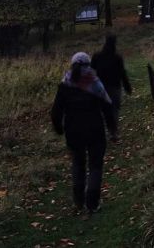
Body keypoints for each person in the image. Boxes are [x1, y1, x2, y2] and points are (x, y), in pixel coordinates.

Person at [51, 52, 117, 213]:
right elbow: (108, 107)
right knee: (95, 166)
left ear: (72, 65)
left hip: (73, 132)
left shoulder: (65, 84)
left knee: (78, 164)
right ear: (88, 65)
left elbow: (56, 111)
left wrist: (59, 128)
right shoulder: (95, 82)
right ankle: (92, 204)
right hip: (95, 130)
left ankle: (79, 202)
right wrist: (112, 129)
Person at [91, 35, 132, 119]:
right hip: (115, 87)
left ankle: (102, 128)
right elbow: (122, 73)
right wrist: (127, 87)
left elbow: (91, 71)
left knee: (101, 110)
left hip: (100, 87)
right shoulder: (117, 58)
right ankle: (113, 130)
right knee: (114, 111)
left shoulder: (97, 56)